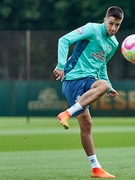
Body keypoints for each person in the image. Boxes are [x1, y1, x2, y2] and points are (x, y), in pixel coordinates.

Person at [53, 6, 124, 178]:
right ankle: (67, 113)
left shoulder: (113, 44)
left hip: (90, 81)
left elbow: (102, 65)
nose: (113, 28)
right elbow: (64, 40)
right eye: (111, 23)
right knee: (86, 122)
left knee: (88, 123)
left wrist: (109, 86)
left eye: (118, 25)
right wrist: (61, 65)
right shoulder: (92, 29)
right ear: (105, 19)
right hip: (73, 80)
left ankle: (96, 169)